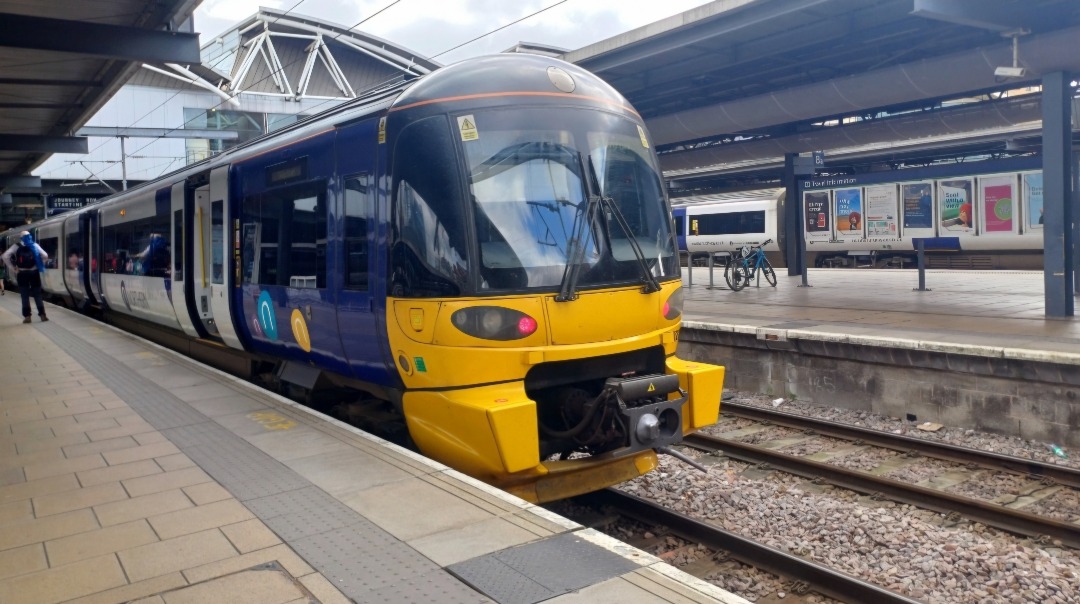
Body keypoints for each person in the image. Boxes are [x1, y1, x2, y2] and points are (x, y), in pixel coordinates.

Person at [2, 230, 49, 323]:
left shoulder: (16, 246)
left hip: (22, 274)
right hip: (34, 273)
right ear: (30, 236)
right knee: (37, 294)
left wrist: (13, 268)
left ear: (21, 238)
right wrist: (39, 264)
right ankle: (42, 315)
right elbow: (45, 255)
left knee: (24, 295)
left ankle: (27, 316)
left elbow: (4, 256)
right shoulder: (34, 245)